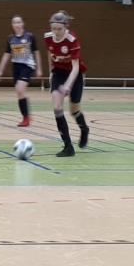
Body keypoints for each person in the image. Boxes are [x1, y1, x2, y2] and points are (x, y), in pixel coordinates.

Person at [44, 11, 90, 157]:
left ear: (65, 27)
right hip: (59, 73)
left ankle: (84, 129)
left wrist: (68, 85)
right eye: (53, 29)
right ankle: (68, 146)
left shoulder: (72, 40)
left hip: (74, 75)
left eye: (59, 29)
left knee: (74, 111)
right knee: (57, 108)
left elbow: (75, 67)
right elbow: (49, 52)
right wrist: (51, 72)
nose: (56, 32)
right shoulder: (48, 37)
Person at [0, 15, 42, 127]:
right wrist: (0, 70)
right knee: (19, 92)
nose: (17, 24)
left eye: (19, 22)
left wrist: (39, 69)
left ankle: (26, 117)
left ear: (22, 24)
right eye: (15, 22)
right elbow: (7, 54)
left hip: (27, 65)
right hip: (16, 66)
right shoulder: (10, 38)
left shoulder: (30, 36)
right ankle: (26, 116)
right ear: (12, 25)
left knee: (20, 89)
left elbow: (36, 52)